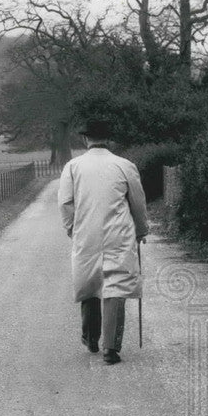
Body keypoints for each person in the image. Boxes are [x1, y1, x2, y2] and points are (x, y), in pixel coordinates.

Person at [58, 118, 149, 364]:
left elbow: (65, 203)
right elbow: (138, 203)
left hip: (86, 233)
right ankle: (111, 349)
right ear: (108, 139)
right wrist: (141, 230)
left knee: (89, 283)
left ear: (85, 138)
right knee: (116, 285)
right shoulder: (125, 165)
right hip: (118, 234)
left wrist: (71, 228)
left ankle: (91, 338)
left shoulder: (73, 167)